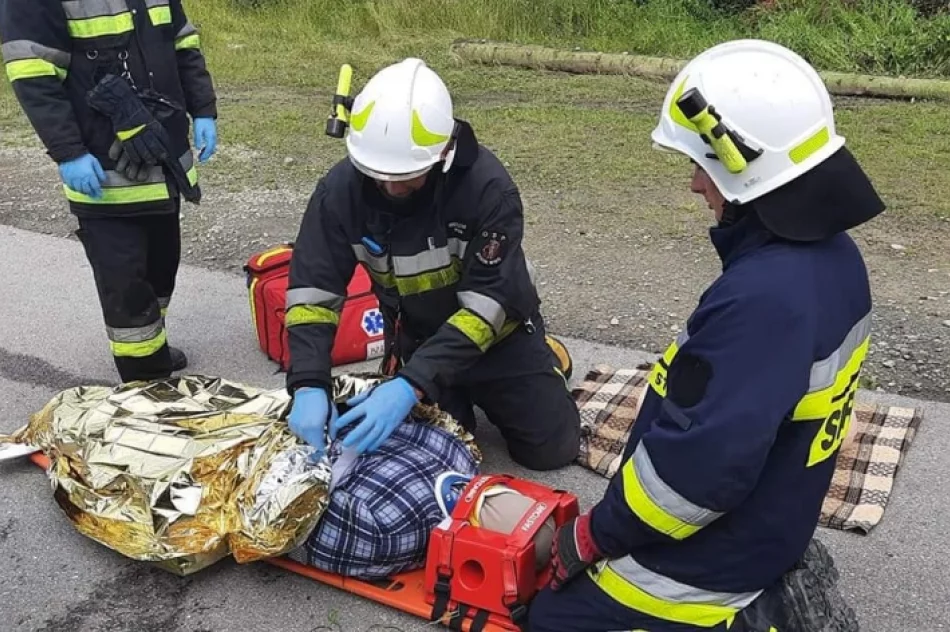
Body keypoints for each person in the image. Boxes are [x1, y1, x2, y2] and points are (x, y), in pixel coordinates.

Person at [529, 39, 884, 631]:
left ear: (742, 163)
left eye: (700, 164)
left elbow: (696, 476)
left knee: (547, 618)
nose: (696, 184)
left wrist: (592, 536)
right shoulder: (835, 259)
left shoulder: (764, 299)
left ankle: (745, 618)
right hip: (777, 520)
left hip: (710, 563)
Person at [283, 57, 581, 471]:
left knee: (551, 451)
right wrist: (308, 382)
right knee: (442, 455)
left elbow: (487, 307)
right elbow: (313, 291)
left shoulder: (487, 190)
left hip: (500, 340)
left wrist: (409, 386)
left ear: (444, 152)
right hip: (419, 339)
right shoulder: (339, 193)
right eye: (378, 172)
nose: (392, 186)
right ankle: (443, 390)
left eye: (407, 175)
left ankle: (549, 360)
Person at [1, 0, 218, 383]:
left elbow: (182, 44)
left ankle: (154, 344)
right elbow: (33, 74)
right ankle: (145, 378)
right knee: (125, 280)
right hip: (102, 166)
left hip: (162, 154)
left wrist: (203, 108)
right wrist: (69, 151)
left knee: (162, 265)